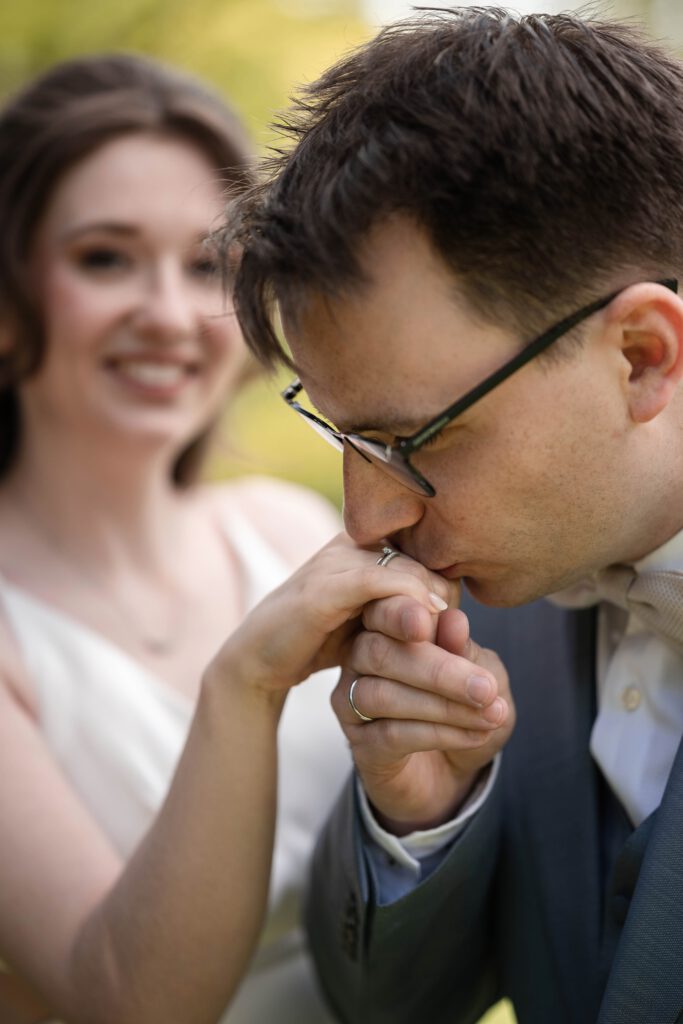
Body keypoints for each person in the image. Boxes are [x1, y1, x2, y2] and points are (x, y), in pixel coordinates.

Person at [224, 7, 683, 1023]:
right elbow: (384, 1007)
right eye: (343, 439)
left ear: (639, 357)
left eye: (414, 439)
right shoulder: (486, 615)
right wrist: (417, 812)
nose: (365, 518)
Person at [0, 53, 455, 1024]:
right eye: (104, 258)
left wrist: (425, 795)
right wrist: (243, 681)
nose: (167, 315)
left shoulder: (295, 531)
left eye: (206, 265)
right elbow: (125, 995)